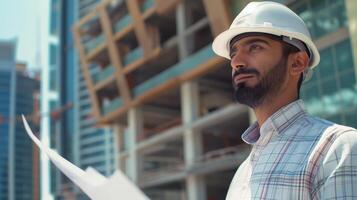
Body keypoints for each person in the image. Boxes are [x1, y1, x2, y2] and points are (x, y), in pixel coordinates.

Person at [212, 1, 357, 199]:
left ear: (298, 62)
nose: (237, 62)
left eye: (255, 47)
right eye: (234, 53)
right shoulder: (242, 174)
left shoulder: (337, 148)